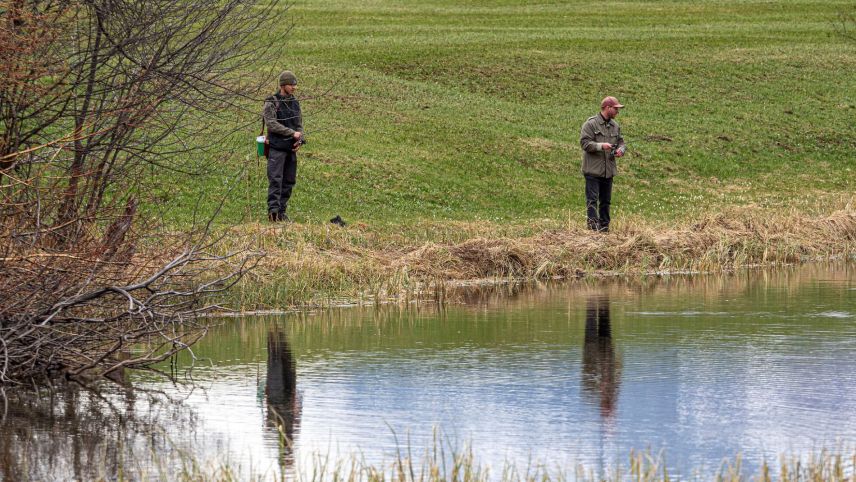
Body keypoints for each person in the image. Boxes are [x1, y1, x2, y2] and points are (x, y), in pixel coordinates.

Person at [579, 96, 626, 232]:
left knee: (606, 202)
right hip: (593, 171)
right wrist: (601, 146)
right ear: (607, 108)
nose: (618, 111)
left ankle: (604, 229)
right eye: (616, 108)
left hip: (608, 171)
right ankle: (593, 230)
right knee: (592, 201)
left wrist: (621, 150)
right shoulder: (590, 124)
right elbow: (584, 143)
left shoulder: (615, 126)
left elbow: (621, 142)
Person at [263, 70, 304, 222]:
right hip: (276, 148)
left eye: (295, 84)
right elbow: (271, 124)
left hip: (291, 149)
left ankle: (281, 212)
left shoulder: (295, 102)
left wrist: (299, 139)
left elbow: (299, 124)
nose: (294, 87)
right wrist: (291, 133)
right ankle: (273, 213)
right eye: (291, 84)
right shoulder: (271, 102)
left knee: (289, 181)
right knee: (276, 180)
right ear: (283, 85)